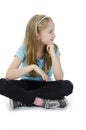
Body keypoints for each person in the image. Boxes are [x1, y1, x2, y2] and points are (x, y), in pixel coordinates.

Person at [0, 14, 73, 109]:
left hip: (45, 86)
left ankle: (22, 99)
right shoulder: (25, 48)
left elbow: (59, 78)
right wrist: (33, 67)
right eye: (50, 32)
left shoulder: (53, 49)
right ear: (37, 35)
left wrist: (53, 55)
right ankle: (42, 102)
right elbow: (9, 75)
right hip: (26, 84)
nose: (54, 35)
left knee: (68, 85)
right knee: (1, 83)